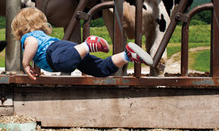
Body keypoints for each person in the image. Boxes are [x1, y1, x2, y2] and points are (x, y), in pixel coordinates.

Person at [11, 7, 153, 80]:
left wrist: (25, 63)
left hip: (55, 52)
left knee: (64, 65)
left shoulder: (28, 37)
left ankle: (88, 45)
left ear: (20, 27)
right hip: (68, 49)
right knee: (99, 70)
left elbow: (33, 43)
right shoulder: (41, 33)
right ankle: (127, 55)